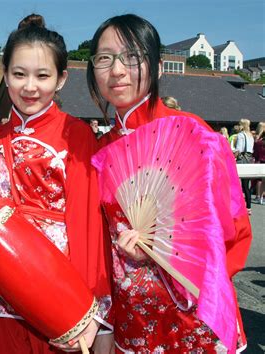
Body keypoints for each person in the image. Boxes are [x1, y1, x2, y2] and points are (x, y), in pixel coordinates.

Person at [86, 14, 251, 352]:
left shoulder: (195, 136)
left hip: (195, 320)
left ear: (158, 67)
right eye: (104, 58)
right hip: (133, 320)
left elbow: (234, 230)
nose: (116, 70)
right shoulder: (100, 153)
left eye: (132, 57)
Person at [0, 14, 113, 354]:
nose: (30, 86)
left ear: (61, 79)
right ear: (5, 75)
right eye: (19, 74)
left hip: (59, 290)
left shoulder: (77, 135)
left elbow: (87, 225)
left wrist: (92, 311)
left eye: (43, 75)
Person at [234, 118, 254, 214]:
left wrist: (233, 155)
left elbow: (239, 149)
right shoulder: (251, 135)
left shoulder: (241, 135)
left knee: (237, 184)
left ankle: (238, 205)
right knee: (246, 185)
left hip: (242, 160)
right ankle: (248, 206)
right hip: (249, 159)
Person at [253, 122, 265, 204]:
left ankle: (259, 197)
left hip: (260, 161)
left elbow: (255, 153)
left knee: (260, 180)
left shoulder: (258, 142)